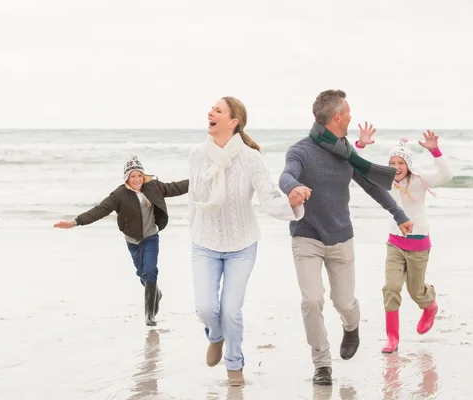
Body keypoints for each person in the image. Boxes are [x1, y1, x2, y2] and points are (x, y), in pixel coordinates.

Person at [278, 89, 414, 386]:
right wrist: (292, 189)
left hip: (340, 237)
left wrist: (398, 214)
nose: (351, 116)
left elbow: (372, 186)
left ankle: (351, 325)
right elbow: (287, 175)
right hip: (307, 236)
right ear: (337, 117)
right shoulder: (300, 150)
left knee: (343, 302)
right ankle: (322, 363)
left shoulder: (347, 153)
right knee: (312, 300)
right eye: (348, 112)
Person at [188, 96, 306, 387]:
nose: (210, 112)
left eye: (218, 110)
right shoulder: (196, 155)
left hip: (241, 244)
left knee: (230, 309)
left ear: (233, 121)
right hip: (204, 243)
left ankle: (234, 364)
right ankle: (215, 337)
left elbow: (268, 199)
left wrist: (292, 204)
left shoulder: (250, 158)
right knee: (205, 308)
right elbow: (194, 199)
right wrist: (193, 230)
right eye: (211, 109)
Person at [53, 155, 189, 327]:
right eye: (133, 176)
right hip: (132, 240)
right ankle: (156, 293)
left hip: (150, 236)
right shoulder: (119, 195)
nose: (137, 179)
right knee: (143, 274)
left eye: (139, 175)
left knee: (151, 270)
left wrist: (198, 180)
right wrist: (74, 222)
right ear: (127, 178)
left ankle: (149, 315)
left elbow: (176, 187)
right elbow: (100, 210)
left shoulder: (153, 186)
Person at [355, 128, 453, 353]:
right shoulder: (386, 181)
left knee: (415, 290)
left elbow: (446, 175)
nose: (396, 167)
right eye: (392, 163)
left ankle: (430, 305)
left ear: (408, 164)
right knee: (390, 287)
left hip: (419, 244)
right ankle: (392, 338)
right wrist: (360, 146)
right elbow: (358, 170)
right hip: (395, 244)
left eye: (401, 163)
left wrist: (435, 151)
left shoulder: (420, 180)